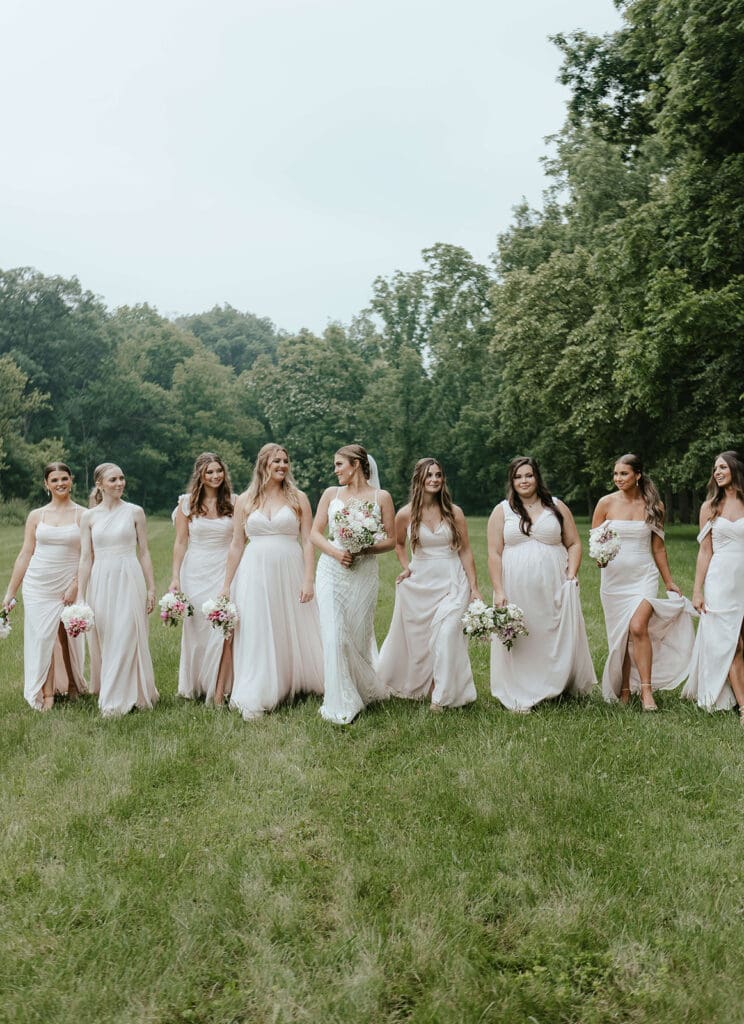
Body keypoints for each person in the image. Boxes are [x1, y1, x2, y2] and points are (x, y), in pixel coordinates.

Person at [222, 444, 323, 719]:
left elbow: (308, 541)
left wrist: (308, 578)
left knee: (288, 623)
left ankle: (294, 679)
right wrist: (226, 584)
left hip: (289, 567)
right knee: (258, 626)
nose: (282, 465)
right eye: (276, 461)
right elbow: (236, 545)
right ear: (263, 464)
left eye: (285, 461)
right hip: (254, 571)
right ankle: (261, 686)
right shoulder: (245, 500)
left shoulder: (297, 497)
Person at [487, 456, 595, 712]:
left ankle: (553, 684)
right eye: (518, 476)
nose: (524, 481)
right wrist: (499, 590)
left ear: (537, 478)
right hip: (515, 586)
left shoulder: (556, 506)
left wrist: (571, 572)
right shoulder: (502, 510)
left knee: (549, 632)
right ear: (511, 481)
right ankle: (521, 686)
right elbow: (494, 553)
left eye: (528, 475)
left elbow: (575, 543)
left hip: (554, 584)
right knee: (524, 635)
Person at [592, 453, 695, 710]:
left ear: (637, 475)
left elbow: (658, 548)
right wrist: (600, 559)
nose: (618, 479)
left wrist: (668, 581)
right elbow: (595, 543)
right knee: (621, 636)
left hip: (643, 575)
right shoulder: (605, 503)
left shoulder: (654, 506)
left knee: (638, 627)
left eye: (624, 474)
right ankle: (625, 689)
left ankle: (646, 692)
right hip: (614, 580)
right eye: (615, 474)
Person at [378, 458, 481, 710]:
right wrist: (406, 567)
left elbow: (466, 551)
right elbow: (399, 544)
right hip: (421, 580)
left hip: (452, 579)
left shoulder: (454, 512)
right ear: (419, 480)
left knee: (446, 635)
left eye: (438, 475)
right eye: (429, 475)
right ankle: (424, 682)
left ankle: (442, 694)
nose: (434, 479)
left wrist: (474, 588)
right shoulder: (406, 513)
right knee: (423, 641)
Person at [311, 444, 395, 724]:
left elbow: (392, 540)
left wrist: (365, 548)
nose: (335, 471)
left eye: (339, 465)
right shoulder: (330, 494)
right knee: (334, 635)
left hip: (364, 571)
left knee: (358, 634)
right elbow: (314, 533)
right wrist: (336, 552)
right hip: (331, 569)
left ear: (356, 464)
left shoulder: (381, 497)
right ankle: (339, 701)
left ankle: (362, 688)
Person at [2, 462, 87, 711]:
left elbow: (87, 556)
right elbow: (25, 553)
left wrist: (75, 585)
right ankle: (47, 694)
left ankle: (73, 683)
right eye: (54, 480)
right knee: (43, 637)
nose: (60, 483)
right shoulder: (36, 515)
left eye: (64, 478)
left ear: (71, 480)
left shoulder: (83, 514)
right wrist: (10, 591)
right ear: (46, 484)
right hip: (38, 583)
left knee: (66, 636)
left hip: (68, 582)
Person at [77, 462, 158, 717]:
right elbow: (85, 558)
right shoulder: (88, 517)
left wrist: (151, 587)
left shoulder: (135, 512)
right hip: (101, 578)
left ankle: (118, 698)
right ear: (100, 484)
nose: (120, 483)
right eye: (113, 479)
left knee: (127, 633)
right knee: (107, 636)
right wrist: (80, 594)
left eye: (122, 478)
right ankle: (114, 689)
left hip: (128, 575)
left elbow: (144, 552)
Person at [170, 453, 235, 705]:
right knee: (197, 630)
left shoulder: (234, 502)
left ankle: (220, 690)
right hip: (195, 569)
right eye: (210, 472)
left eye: (219, 471)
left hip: (224, 569)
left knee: (224, 627)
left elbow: (239, 541)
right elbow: (179, 542)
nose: (215, 476)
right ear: (200, 475)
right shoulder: (186, 504)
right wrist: (175, 578)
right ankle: (197, 684)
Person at [682, 451, 744, 716]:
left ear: (735, 469)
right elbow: (705, 551)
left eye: (722, 467)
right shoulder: (709, 507)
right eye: (714, 469)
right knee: (731, 643)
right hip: (720, 580)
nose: (717, 472)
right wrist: (697, 590)